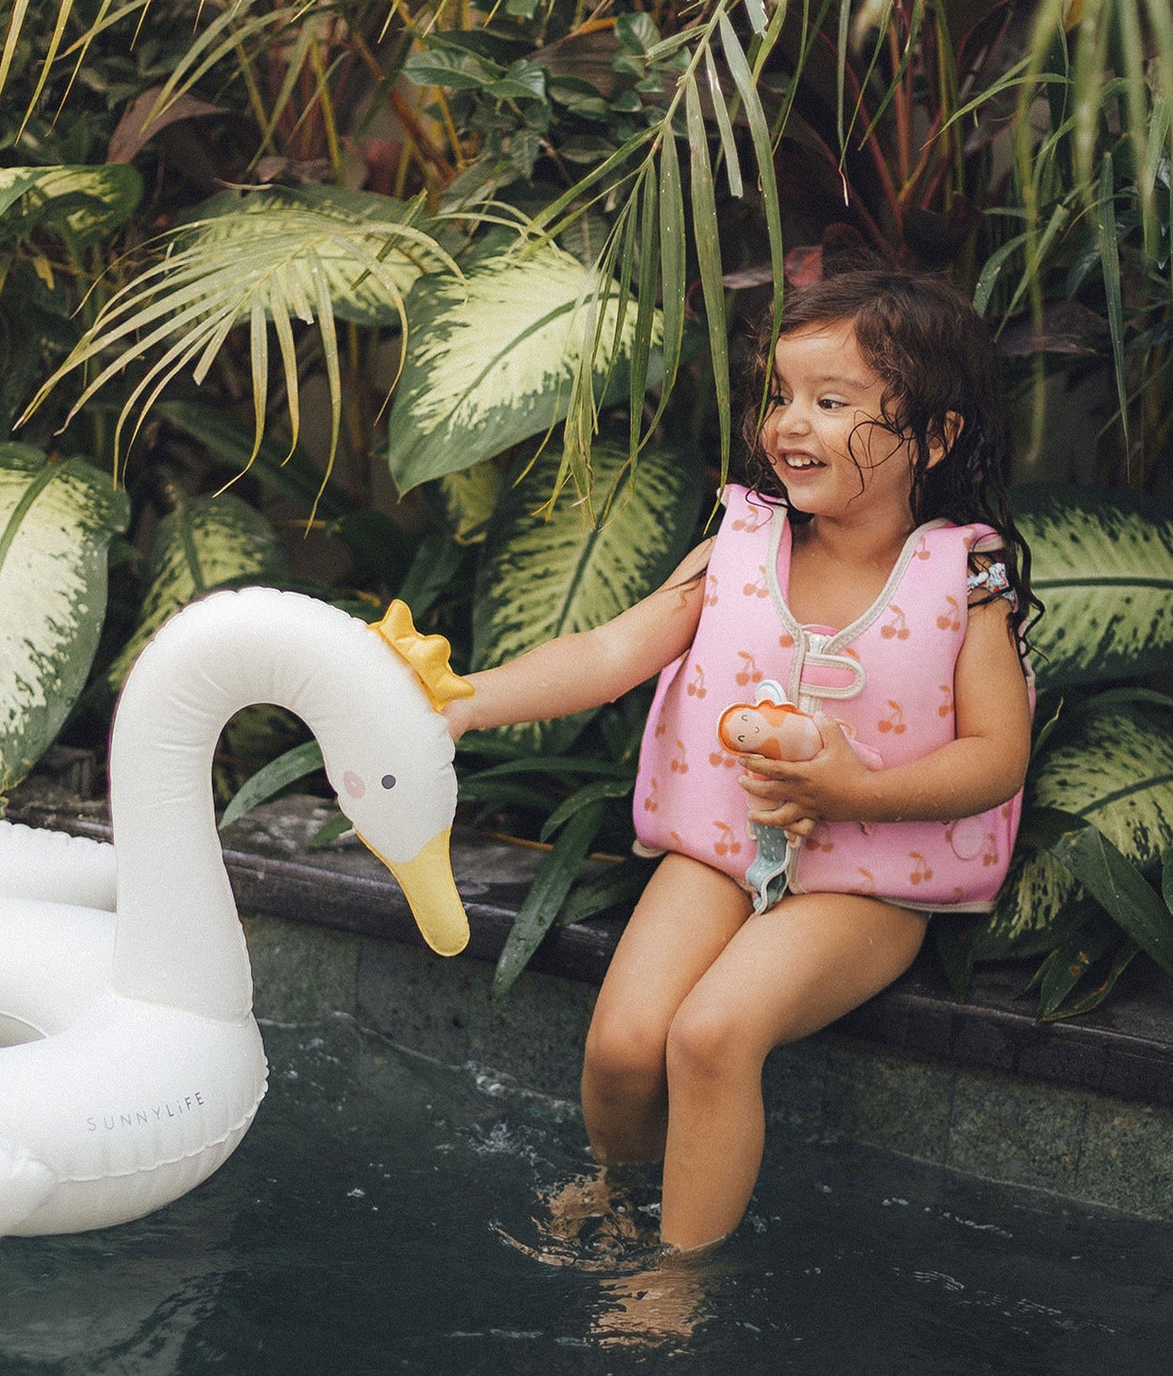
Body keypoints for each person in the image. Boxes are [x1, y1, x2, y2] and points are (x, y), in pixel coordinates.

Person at [445, 266, 1038, 1254]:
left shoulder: (961, 577)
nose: (789, 422)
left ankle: (676, 1286)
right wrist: (458, 703)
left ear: (933, 436)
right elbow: (604, 655)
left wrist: (859, 788)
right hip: (722, 851)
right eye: (780, 394)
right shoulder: (738, 543)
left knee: (711, 1033)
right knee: (625, 1045)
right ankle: (617, 1193)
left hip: (863, 886)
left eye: (831, 400)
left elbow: (995, 754)